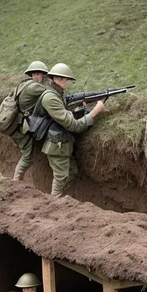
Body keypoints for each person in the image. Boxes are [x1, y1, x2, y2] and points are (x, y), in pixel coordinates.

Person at [38, 63, 105, 196]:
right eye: (66, 80)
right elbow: (74, 125)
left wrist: (77, 106)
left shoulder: (57, 93)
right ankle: (52, 203)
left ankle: (58, 199)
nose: (67, 83)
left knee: (72, 172)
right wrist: (95, 112)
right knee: (60, 177)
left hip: (62, 143)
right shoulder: (50, 97)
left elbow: (63, 110)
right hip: (56, 145)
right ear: (58, 78)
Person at [11, 61, 49, 181]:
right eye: (41, 74)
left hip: (16, 124)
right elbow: (52, 95)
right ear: (37, 74)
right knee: (27, 157)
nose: (42, 77)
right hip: (21, 127)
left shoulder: (24, 85)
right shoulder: (35, 87)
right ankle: (15, 180)